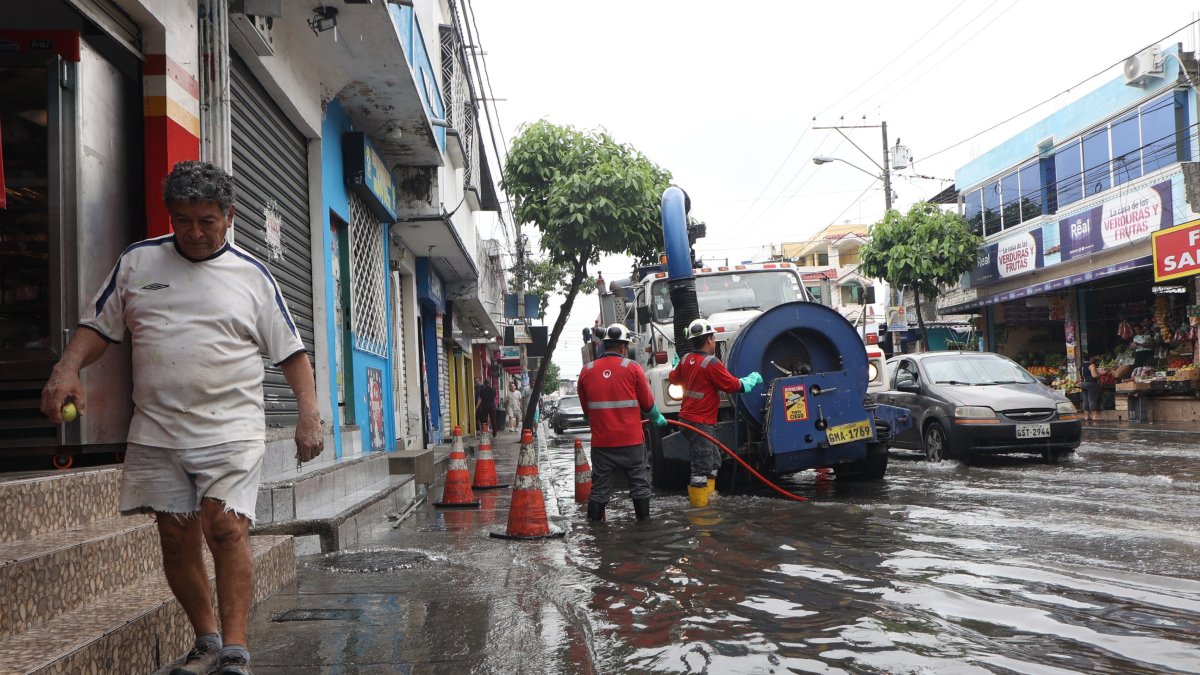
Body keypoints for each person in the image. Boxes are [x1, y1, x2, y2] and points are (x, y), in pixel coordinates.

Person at [40, 161, 323, 675]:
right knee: (174, 533)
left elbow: (292, 354)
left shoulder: (252, 277)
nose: (193, 232)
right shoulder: (137, 263)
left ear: (230, 217)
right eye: (183, 220)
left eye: (206, 221)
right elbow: (98, 327)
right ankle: (207, 640)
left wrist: (309, 415)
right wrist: (67, 368)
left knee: (225, 527)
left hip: (231, 426)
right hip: (157, 428)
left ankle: (235, 651)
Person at [576, 323, 667, 522]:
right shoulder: (633, 368)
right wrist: (658, 419)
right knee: (639, 485)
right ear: (623, 347)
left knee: (599, 489)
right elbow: (648, 403)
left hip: (602, 444)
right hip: (631, 442)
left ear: (604, 345)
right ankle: (643, 529)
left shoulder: (586, 371)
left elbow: (587, 411)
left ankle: (595, 530)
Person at [669, 318, 761, 508]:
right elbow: (735, 386)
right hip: (699, 423)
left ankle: (710, 499)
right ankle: (701, 513)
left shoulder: (686, 359)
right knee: (701, 467)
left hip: (688, 420)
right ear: (709, 340)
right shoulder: (711, 363)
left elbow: (674, 378)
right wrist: (752, 379)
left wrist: (677, 366)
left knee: (713, 461)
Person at [1080, 354, 1103, 421]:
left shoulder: (1081, 366)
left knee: (1085, 400)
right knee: (1092, 400)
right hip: (1091, 384)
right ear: (1090, 359)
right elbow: (1094, 376)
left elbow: (1081, 377)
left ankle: (1087, 416)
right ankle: (1095, 416)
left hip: (1083, 384)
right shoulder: (1091, 365)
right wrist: (1103, 373)